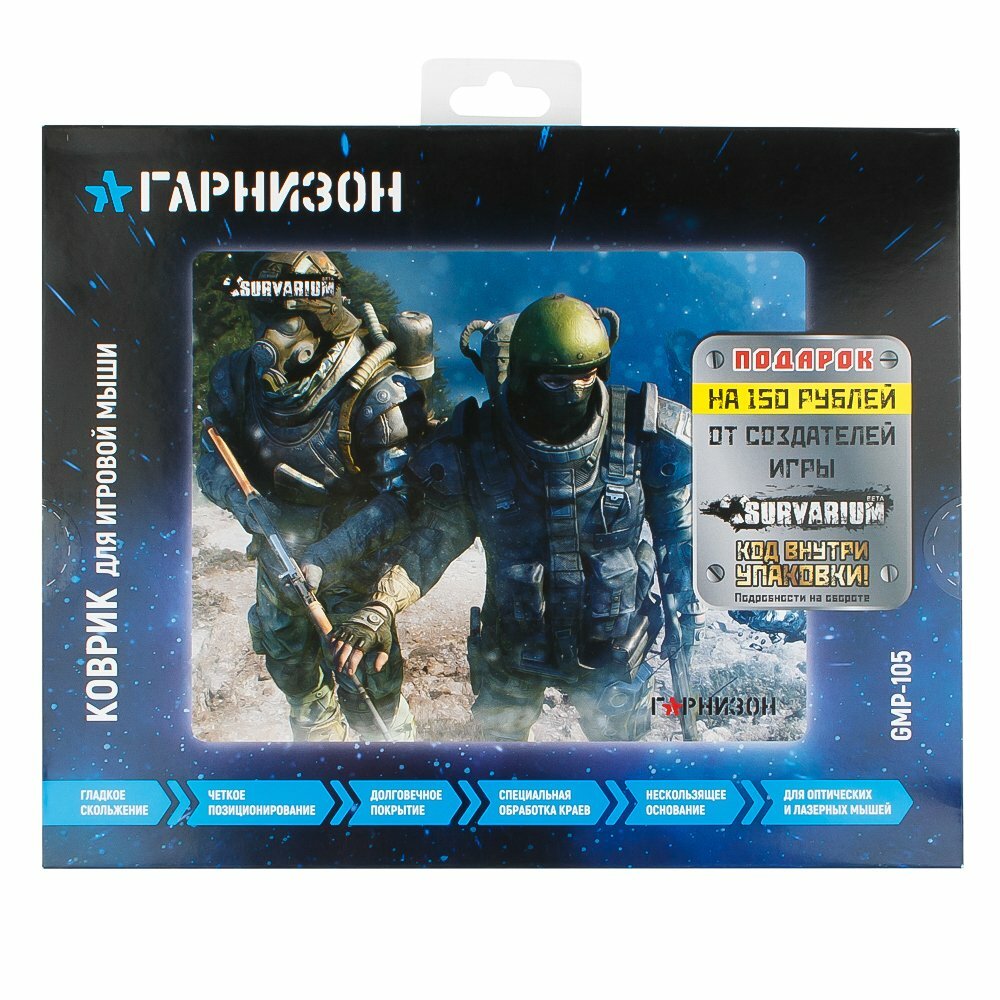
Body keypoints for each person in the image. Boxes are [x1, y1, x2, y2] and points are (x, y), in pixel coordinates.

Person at [326, 293, 702, 741]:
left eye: (585, 375)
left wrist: (685, 621)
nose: (575, 391)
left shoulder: (647, 434)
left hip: (613, 648)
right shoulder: (476, 444)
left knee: (620, 761)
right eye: (556, 380)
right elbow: (434, 543)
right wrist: (379, 607)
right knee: (500, 759)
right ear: (524, 374)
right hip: (513, 648)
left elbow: (677, 540)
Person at [196, 251, 428, 740]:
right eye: (263, 317)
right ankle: (320, 767)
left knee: (373, 697)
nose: (269, 337)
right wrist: (242, 503)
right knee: (298, 683)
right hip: (277, 558)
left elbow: (402, 500)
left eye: (286, 321)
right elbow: (213, 459)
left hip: (353, 567)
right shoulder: (238, 379)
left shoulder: (376, 389)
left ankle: (394, 773)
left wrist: (328, 554)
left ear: (322, 321)